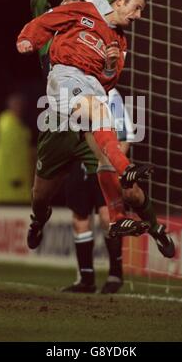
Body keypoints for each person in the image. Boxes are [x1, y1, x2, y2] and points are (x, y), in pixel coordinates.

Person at [17, 0, 175, 260]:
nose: (75, 9)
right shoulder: (54, 41)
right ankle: (38, 218)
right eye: (68, 6)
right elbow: (38, 5)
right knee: (41, 195)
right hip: (59, 120)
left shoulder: (103, 34)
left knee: (124, 186)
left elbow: (115, 6)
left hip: (90, 114)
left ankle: (154, 227)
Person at [63, 88, 136, 294]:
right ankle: (86, 279)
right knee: (80, 218)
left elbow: (126, 136)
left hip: (104, 166)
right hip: (80, 165)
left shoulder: (111, 94)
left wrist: (111, 163)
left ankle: (115, 273)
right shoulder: (72, 91)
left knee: (107, 216)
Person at [0, 93, 32, 204]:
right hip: (12, 181)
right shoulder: (7, 124)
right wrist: (15, 176)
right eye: (17, 104)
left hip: (19, 178)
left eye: (21, 105)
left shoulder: (16, 124)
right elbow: (9, 152)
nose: (20, 108)